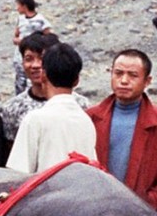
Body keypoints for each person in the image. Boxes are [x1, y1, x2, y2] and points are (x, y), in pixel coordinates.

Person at [87, 48, 157, 212]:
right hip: (94, 210)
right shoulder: (91, 118)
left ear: (147, 81)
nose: (124, 81)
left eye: (133, 75)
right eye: (118, 73)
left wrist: (144, 204)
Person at [7, 43, 95, 172]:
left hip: (46, 192)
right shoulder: (86, 121)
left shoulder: (35, 119)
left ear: (43, 75)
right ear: (76, 80)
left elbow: (18, 173)